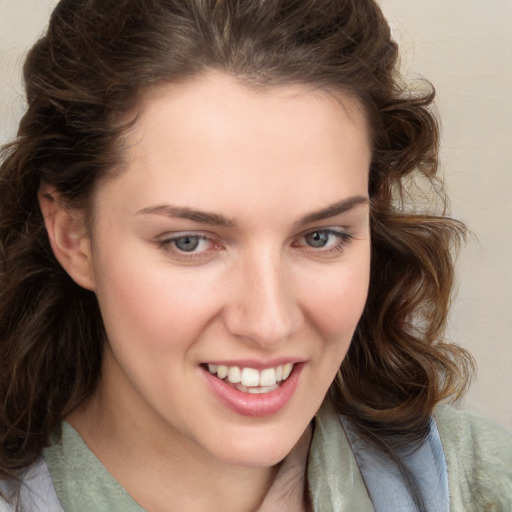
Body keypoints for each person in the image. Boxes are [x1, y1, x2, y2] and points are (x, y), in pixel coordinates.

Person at [0, 0, 511, 510]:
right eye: (190, 242)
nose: (270, 323)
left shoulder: (480, 485)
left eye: (320, 237)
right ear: (73, 236)